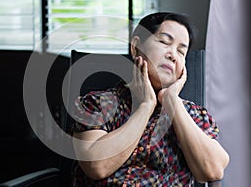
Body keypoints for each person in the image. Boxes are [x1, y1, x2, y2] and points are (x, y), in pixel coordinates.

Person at [70, 12, 230, 186]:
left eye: (181, 52)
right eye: (164, 42)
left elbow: (213, 170)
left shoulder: (195, 115)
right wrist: (146, 106)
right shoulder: (98, 104)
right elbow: (96, 166)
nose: (173, 55)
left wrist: (172, 102)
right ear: (136, 47)